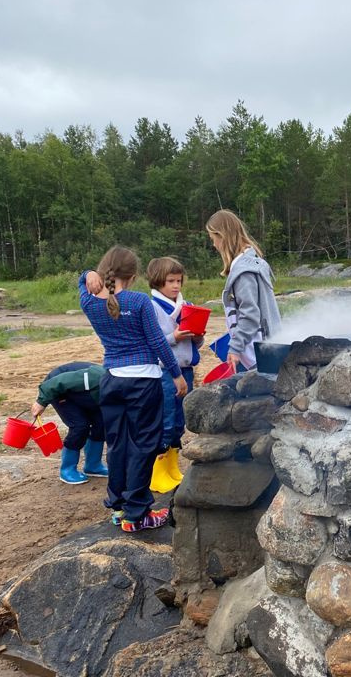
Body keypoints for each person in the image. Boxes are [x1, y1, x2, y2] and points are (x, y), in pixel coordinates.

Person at [80, 246, 186, 532]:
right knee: (144, 445)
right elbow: (157, 342)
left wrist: (88, 275)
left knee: (117, 444)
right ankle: (137, 514)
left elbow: (83, 284)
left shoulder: (90, 304)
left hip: (112, 380)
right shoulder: (139, 302)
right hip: (144, 381)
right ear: (134, 275)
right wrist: (176, 374)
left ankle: (118, 506)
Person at [205, 209, 282, 372]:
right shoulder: (254, 262)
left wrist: (235, 347)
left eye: (214, 239)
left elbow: (250, 314)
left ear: (223, 236)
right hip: (269, 348)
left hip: (255, 354)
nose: (214, 245)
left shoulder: (243, 271)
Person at [146, 256, 202, 450]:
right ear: (157, 280)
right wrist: (174, 336)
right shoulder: (151, 307)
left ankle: (171, 466)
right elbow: (152, 341)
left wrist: (197, 337)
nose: (176, 286)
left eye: (179, 281)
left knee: (181, 421)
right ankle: (159, 467)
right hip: (165, 372)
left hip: (186, 369)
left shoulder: (187, 305)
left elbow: (196, 344)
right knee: (166, 419)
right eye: (171, 281)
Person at [31, 362, 109, 485]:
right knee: (80, 426)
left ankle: (93, 466)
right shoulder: (96, 377)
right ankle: (67, 470)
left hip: (85, 395)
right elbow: (58, 383)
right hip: (58, 388)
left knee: (101, 424)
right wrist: (41, 401)